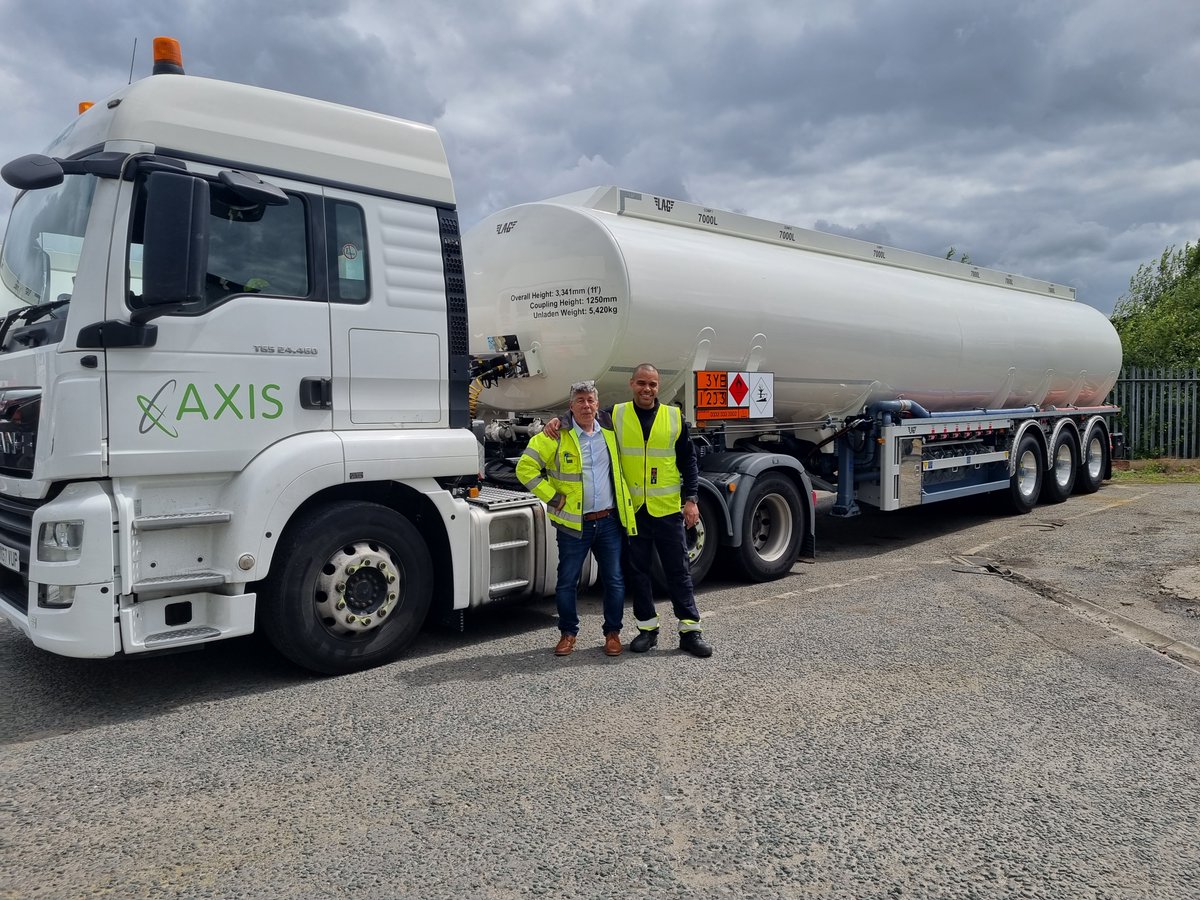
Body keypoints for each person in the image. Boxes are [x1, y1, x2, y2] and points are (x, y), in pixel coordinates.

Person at [546, 364, 713, 658]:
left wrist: (692, 499)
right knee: (638, 573)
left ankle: (690, 631)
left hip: (667, 509)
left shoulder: (674, 417)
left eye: (652, 384)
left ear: (657, 387)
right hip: (633, 512)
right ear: (631, 384)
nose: (646, 389)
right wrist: (556, 422)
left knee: (678, 571)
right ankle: (647, 630)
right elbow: (582, 413)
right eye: (641, 383)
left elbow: (688, 461)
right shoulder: (615, 415)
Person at [516, 381, 637, 657]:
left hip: (607, 521)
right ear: (571, 406)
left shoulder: (609, 431)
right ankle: (568, 633)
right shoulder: (557, 434)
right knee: (567, 581)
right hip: (574, 524)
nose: (586, 406)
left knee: (615, 579)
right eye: (580, 400)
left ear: (597, 404)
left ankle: (613, 633)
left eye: (590, 400)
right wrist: (553, 497)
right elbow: (525, 468)